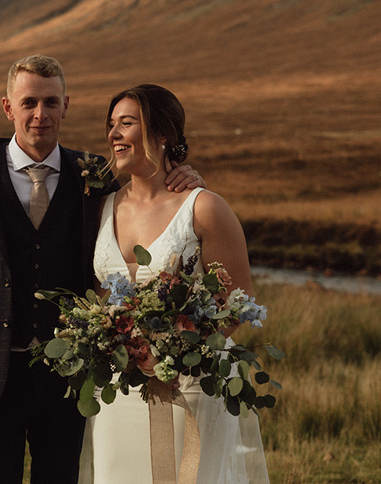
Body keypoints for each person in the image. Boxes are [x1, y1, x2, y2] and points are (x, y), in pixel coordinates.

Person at [0, 57, 204, 484]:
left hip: (72, 377)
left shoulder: (95, 177)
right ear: (8, 107)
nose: (41, 115)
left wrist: (179, 174)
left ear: (66, 106)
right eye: (29, 102)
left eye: (51, 102)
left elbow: (147, 196)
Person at [80, 84, 270, 483]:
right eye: (111, 124)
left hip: (192, 382)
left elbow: (237, 299)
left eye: (127, 123)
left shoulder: (203, 207)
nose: (114, 134)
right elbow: (100, 295)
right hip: (120, 383)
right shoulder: (102, 206)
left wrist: (176, 348)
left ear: (163, 133)